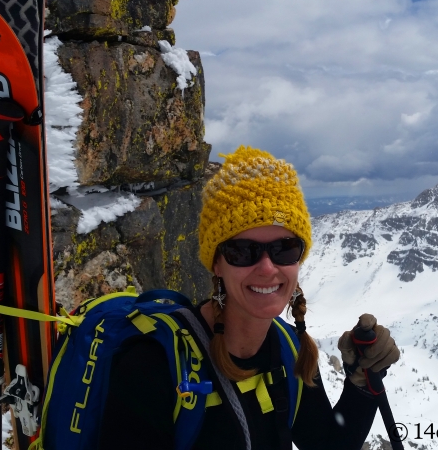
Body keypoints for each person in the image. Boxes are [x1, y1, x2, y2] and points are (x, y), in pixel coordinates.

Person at [99, 146, 400, 449]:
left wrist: (360, 384)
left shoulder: (290, 349)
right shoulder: (153, 365)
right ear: (216, 263)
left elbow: (325, 443)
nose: (267, 268)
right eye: (243, 251)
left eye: (285, 248)